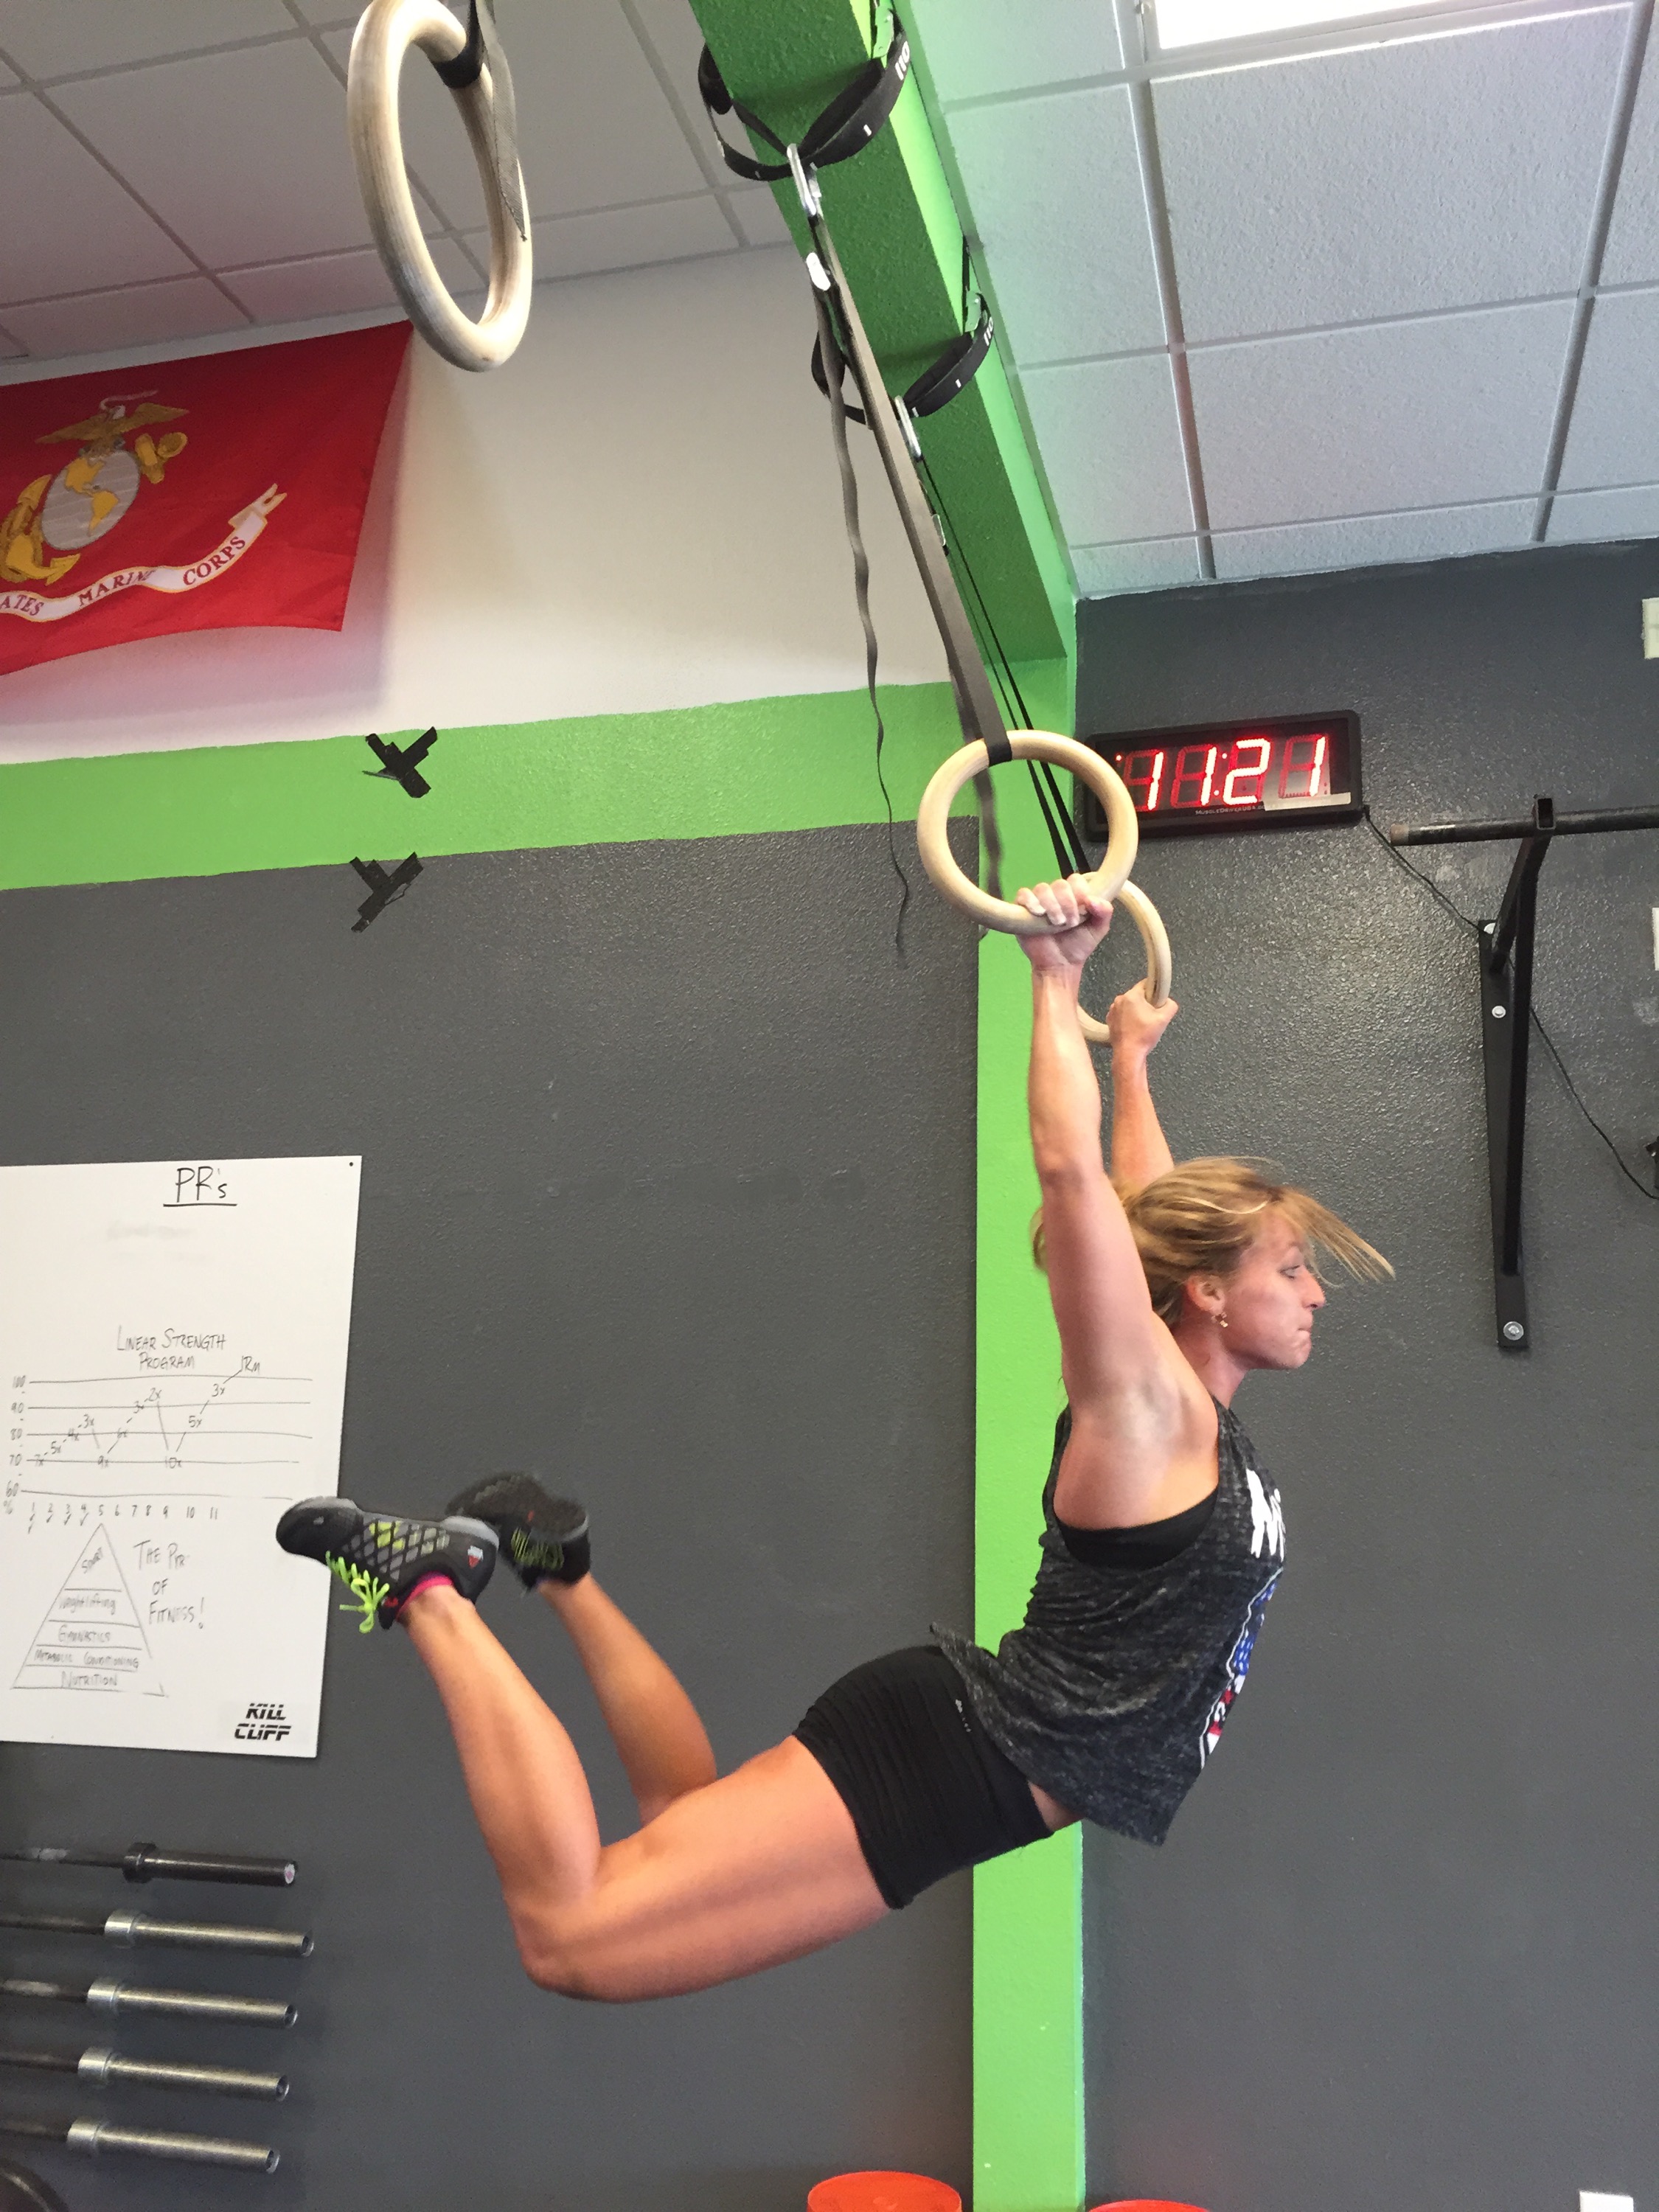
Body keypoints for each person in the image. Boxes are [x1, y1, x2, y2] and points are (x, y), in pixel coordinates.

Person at [276, 876, 1389, 2002]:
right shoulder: (1145, 1411)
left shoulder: (1196, 1424)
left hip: (968, 1761)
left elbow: (1144, 1211)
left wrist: (1133, 1060)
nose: (1314, 1294)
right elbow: (1079, 1184)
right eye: (1293, 1269)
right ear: (1207, 1294)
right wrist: (1053, 981)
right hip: (961, 1762)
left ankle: (559, 1568)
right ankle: (429, 1593)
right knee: (571, 1938)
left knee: (677, 1826)